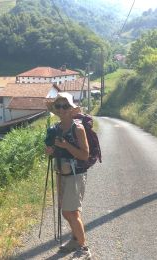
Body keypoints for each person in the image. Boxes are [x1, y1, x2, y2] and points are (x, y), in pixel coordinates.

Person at [45, 92, 92, 260]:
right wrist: (50, 151)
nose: (61, 109)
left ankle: (84, 248)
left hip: (76, 174)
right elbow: (52, 150)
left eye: (65, 106)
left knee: (70, 211)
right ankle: (74, 240)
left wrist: (66, 145)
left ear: (71, 108)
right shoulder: (56, 129)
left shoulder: (77, 128)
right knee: (66, 212)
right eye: (58, 106)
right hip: (61, 173)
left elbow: (85, 155)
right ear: (55, 109)